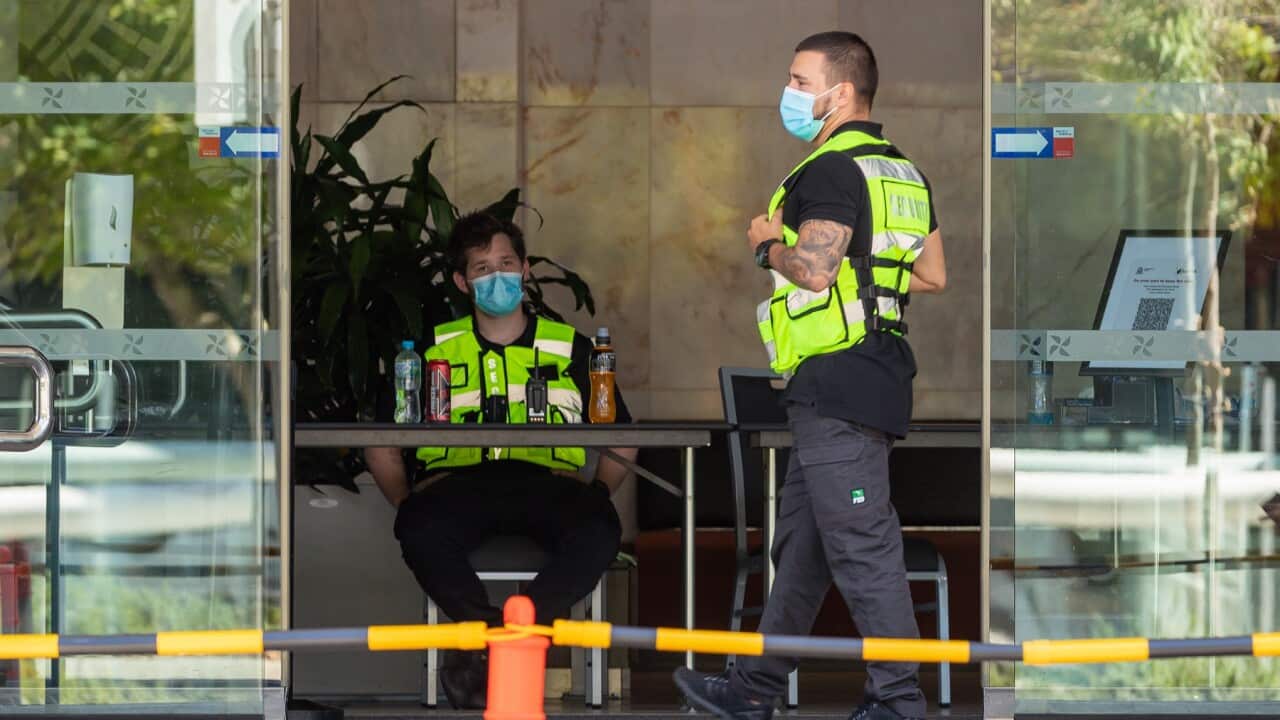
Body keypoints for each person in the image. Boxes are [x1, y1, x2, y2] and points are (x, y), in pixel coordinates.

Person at [673, 31, 947, 720]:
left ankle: (899, 701)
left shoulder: (828, 168)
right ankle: (751, 690)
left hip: (839, 378)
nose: (790, 92)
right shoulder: (903, 173)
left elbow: (816, 270)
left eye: (800, 79)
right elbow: (933, 273)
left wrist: (769, 242)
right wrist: (866, 268)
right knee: (803, 549)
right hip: (869, 376)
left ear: (842, 91)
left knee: (862, 545)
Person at [364, 211, 638, 710]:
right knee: (418, 527)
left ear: (526, 269)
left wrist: (597, 492)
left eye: (507, 263)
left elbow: (622, 433)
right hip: (458, 486)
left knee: (599, 528)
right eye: (483, 268)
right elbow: (380, 439)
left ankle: (510, 628)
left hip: (547, 485)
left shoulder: (571, 348)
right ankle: (493, 635)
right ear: (462, 282)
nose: (498, 276)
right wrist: (406, 498)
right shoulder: (431, 350)